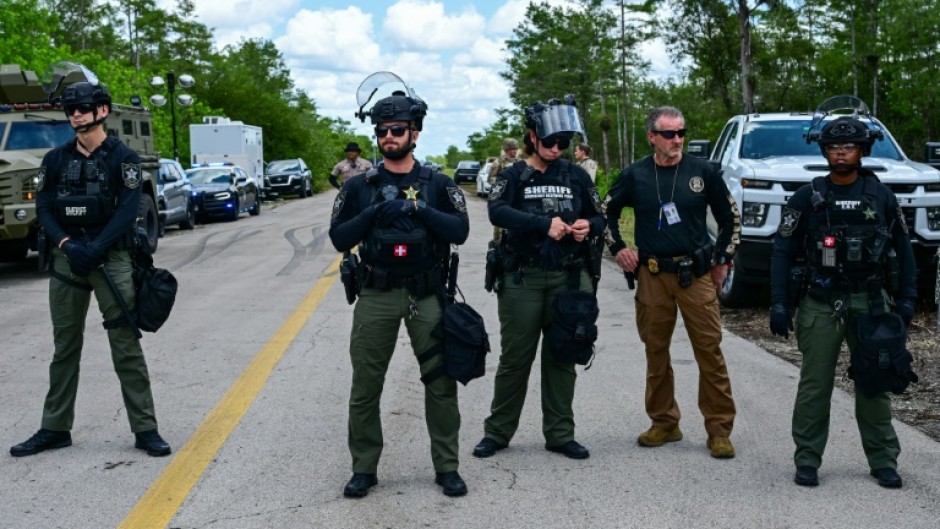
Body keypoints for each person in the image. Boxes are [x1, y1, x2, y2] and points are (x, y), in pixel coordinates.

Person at [10, 79, 171, 458]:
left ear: (101, 111)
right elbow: (45, 208)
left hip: (110, 258)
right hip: (68, 258)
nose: (75, 115)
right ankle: (54, 428)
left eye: (81, 108)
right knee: (64, 345)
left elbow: (129, 209)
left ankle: (145, 429)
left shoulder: (124, 158)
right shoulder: (55, 159)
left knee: (125, 344)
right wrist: (67, 245)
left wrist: (95, 248)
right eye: (70, 109)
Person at [329, 76, 470, 498]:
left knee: (441, 383)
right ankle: (364, 468)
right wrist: (374, 213)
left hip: (426, 293)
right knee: (366, 385)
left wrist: (416, 207)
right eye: (382, 131)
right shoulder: (358, 186)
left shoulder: (439, 184)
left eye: (397, 130)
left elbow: (459, 231)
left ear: (415, 133)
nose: (389, 137)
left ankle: (447, 466)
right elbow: (338, 238)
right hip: (376, 293)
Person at [769, 115, 917, 489]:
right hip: (821, 301)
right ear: (824, 150)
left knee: (875, 382)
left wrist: (907, 301)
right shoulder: (807, 197)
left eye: (848, 147)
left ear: (862, 150)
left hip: (872, 302)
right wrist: (780, 303)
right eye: (834, 146)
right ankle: (807, 460)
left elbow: (904, 250)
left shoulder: (881, 196)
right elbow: (782, 251)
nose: (840, 152)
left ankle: (883, 459)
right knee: (815, 384)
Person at [473, 96, 605, 461]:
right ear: (532, 136)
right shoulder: (514, 174)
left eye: (563, 143)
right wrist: (543, 224)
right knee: (516, 357)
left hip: (568, 277)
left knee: (563, 355)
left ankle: (560, 433)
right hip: (523, 277)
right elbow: (497, 212)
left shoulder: (576, 175)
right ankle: (497, 432)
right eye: (550, 142)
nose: (556, 148)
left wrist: (585, 227)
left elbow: (600, 216)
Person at [605, 105, 741, 459]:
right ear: (652, 137)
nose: (678, 139)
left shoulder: (703, 171)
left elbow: (730, 218)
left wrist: (723, 260)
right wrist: (618, 248)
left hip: (695, 274)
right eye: (669, 134)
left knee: (709, 351)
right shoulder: (635, 175)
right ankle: (665, 422)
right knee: (655, 351)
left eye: (681, 132)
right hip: (652, 276)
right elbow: (605, 212)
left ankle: (719, 429)